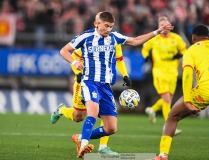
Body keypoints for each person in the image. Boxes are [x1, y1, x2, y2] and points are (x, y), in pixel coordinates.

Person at [59, 11, 173, 158]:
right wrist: (74, 62)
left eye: (111, 26)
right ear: (97, 23)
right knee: (92, 113)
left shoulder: (114, 37)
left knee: (111, 128)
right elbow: (64, 50)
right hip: (90, 82)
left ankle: (79, 138)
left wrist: (157, 31)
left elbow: (136, 40)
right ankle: (83, 147)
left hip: (105, 86)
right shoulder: (85, 37)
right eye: (106, 26)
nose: (108, 29)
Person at [155, 24, 209, 160]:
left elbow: (187, 75)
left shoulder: (192, 49)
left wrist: (188, 101)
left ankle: (162, 156)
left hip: (206, 90)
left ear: (194, 38)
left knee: (172, 116)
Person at [50, 45, 131, 155]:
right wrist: (78, 72)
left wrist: (125, 75)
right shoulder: (91, 41)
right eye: (107, 26)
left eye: (110, 27)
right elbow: (73, 55)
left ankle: (103, 147)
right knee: (78, 117)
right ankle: (62, 110)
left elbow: (119, 59)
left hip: (102, 83)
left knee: (106, 113)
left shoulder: (115, 42)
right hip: (84, 82)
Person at [142, 16, 186, 135]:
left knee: (167, 100)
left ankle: (152, 109)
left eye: (166, 25)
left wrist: (179, 55)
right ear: (159, 27)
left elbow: (184, 50)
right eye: (162, 25)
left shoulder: (176, 38)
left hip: (172, 73)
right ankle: (169, 126)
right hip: (159, 72)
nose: (164, 28)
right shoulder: (154, 39)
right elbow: (145, 48)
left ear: (170, 26)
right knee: (167, 99)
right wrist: (146, 57)